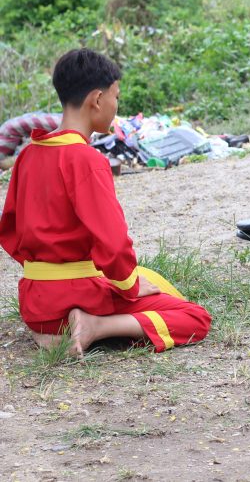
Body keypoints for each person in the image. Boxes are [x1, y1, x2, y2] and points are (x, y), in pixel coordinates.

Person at [0, 49, 210, 357]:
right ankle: (96, 327)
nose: (116, 106)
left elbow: (9, 230)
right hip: (77, 296)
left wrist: (50, 269)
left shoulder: (27, 156)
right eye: (116, 97)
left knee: (144, 281)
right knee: (195, 318)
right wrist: (129, 285)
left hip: (34, 301)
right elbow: (112, 244)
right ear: (97, 99)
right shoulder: (86, 160)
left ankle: (50, 333)